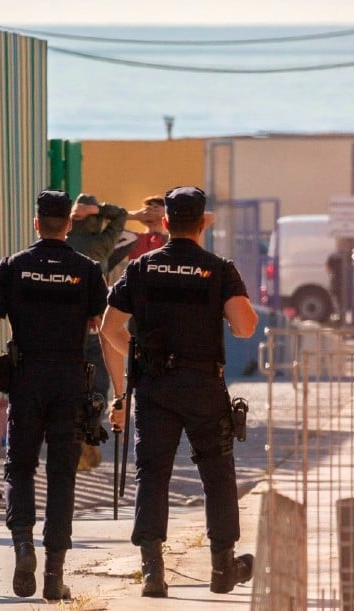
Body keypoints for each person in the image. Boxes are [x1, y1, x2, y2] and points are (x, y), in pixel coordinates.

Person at [99, 186, 259, 597]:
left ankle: (153, 571)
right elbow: (244, 327)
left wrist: (137, 359)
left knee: (152, 474)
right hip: (204, 385)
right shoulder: (220, 269)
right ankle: (223, 567)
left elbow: (108, 328)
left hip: (154, 388)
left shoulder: (141, 269)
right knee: (217, 475)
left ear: (166, 222)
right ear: (203, 222)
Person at [0, 190, 109, 601]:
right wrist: (118, 391)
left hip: (26, 379)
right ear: (68, 224)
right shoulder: (86, 269)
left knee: (19, 466)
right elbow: (108, 335)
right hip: (69, 381)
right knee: (62, 475)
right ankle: (54, 574)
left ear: (36, 223)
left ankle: (23, 546)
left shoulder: (13, 267)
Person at [66, 193, 128, 471]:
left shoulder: (64, 242)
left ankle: (76, 439)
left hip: (68, 330)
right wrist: (102, 209)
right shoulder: (101, 244)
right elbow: (122, 215)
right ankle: (90, 432)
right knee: (99, 385)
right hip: (98, 325)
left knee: (73, 387)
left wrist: (74, 214)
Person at [126, 195, 168, 261]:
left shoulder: (172, 239)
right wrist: (136, 215)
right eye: (147, 207)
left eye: (156, 207)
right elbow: (108, 218)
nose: (151, 209)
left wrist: (167, 215)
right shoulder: (131, 238)